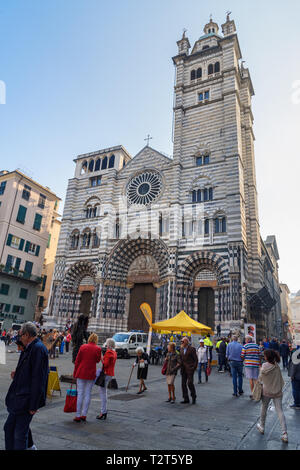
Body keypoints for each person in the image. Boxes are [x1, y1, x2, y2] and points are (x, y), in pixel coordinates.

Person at [4, 322, 49, 450]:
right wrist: (17, 373)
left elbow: (39, 379)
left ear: (27, 335)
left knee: (19, 434)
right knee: (9, 428)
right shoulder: (29, 346)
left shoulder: (38, 349)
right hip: (19, 396)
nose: (19, 337)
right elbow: (28, 369)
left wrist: (33, 405)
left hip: (26, 398)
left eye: (21, 335)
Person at [256, 349, 288, 443]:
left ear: (267, 357)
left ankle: (262, 426)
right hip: (277, 391)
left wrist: (260, 370)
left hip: (267, 391)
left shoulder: (265, 366)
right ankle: (284, 433)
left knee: (264, 408)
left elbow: (260, 378)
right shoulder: (276, 365)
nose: (264, 357)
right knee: (280, 410)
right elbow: (280, 378)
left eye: (265, 355)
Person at [73, 332, 101, 422]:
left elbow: (77, 360)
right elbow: (97, 360)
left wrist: (75, 373)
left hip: (81, 372)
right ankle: (84, 414)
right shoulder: (98, 348)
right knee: (88, 393)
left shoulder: (83, 347)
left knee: (80, 393)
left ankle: (78, 415)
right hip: (91, 373)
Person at [96, 338, 117, 420]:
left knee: (102, 393)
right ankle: (104, 411)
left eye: (107, 344)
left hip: (106, 373)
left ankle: (103, 411)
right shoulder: (114, 352)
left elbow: (105, 364)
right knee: (104, 392)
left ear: (108, 345)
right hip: (110, 373)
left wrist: (101, 357)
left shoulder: (108, 353)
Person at [180, 337, 198, 404]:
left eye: (183, 341)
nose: (182, 343)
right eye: (181, 341)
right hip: (183, 369)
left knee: (190, 383)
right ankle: (185, 398)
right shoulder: (181, 349)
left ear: (187, 342)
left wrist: (193, 367)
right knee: (183, 384)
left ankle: (193, 396)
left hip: (190, 369)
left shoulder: (192, 349)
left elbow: (195, 359)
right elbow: (181, 358)